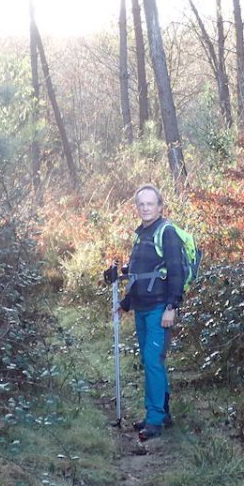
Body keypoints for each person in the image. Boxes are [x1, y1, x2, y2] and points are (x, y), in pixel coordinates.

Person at [104, 183, 185, 440]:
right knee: (151, 362)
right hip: (142, 307)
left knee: (152, 361)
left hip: (160, 309)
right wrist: (126, 301)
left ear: (160, 207)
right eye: (141, 204)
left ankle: (155, 420)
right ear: (137, 207)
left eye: (150, 203)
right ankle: (162, 412)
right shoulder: (141, 235)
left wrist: (172, 307)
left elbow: (177, 272)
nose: (145, 208)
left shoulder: (167, 233)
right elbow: (139, 274)